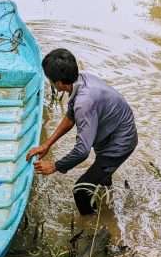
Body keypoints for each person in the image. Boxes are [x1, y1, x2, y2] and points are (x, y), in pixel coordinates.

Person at [26, 48, 138, 215]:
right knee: (101, 176)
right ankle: (108, 206)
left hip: (120, 143)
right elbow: (70, 117)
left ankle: (90, 223)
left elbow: (82, 151)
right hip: (112, 134)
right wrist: (47, 144)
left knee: (80, 190)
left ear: (58, 83)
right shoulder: (81, 80)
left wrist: (55, 166)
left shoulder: (84, 102)